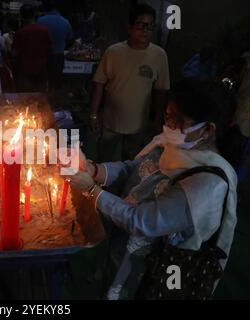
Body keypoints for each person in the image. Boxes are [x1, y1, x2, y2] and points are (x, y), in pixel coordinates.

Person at [62, 79, 237, 300]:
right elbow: (134, 168)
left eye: (177, 120)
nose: (168, 126)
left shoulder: (205, 186)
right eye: (167, 116)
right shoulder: (172, 144)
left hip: (150, 267)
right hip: (121, 245)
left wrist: (92, 189)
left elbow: (142, 222)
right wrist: (94, 170)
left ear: (207, 130)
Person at [90, 4, 170, 163]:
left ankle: (125, 187)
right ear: (130, 27)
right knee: (105, 158)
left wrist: (157, 119)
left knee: (132, 160)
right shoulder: (114, 52)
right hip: (111, 120)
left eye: (150, 26)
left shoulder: (159, 55)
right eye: (141, 25)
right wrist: (93, 114)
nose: (145, 30)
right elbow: (99, 83)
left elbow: (161, 90)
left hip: (139, 124)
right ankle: (101, 184)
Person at [12, 4, 52, 92]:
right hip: (41, 70)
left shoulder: (20, 33)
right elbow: (50, 49)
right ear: (34, 15)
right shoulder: (44, 30)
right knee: (40, 99)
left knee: (25, 100)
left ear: (21, 16)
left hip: (24, 71)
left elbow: (14, 53)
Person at [37, 0, 72, 91]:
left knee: (44, 82)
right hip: (59, 56)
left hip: (45, 56)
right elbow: (70, 39)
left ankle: (43, 102)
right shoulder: (65, 22)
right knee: (56, 82)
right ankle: (55, 101)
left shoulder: (41, 21)